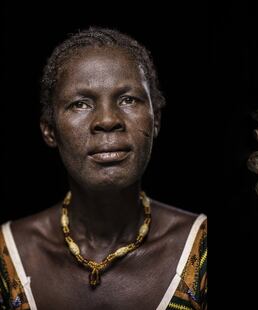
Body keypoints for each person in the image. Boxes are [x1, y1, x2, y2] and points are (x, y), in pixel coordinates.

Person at [0, 27, 207, 310]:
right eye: (81, 104)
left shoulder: (201, 243)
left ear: (155, 119)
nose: (107, 120)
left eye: (128, 99)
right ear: (49, 131)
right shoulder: (7, 252)